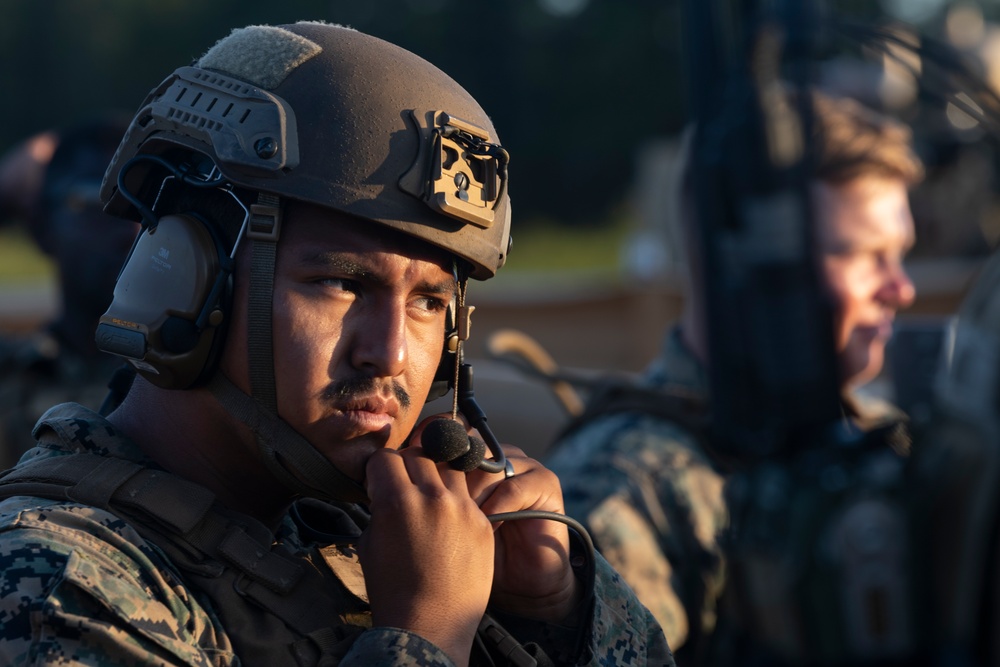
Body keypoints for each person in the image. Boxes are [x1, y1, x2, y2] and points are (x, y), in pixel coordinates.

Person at [0, 21, 672, 667]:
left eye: (429, 302)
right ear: (186, 276)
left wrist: (554, 612)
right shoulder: (50, 585)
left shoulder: (377, 539)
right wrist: (426, 636)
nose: (391, 353)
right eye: (342, 283)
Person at [544, 90, 923, 665]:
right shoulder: (625, 488)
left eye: (900, 255)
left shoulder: (884, 437)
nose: (901, 289)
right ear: (747, 267)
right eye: (864, 255)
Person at [0, 115, 140, 468]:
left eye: (150, 209)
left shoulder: (189, 387)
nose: (133, 230)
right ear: (41, 226)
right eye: (99, 205)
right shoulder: (13, 375)